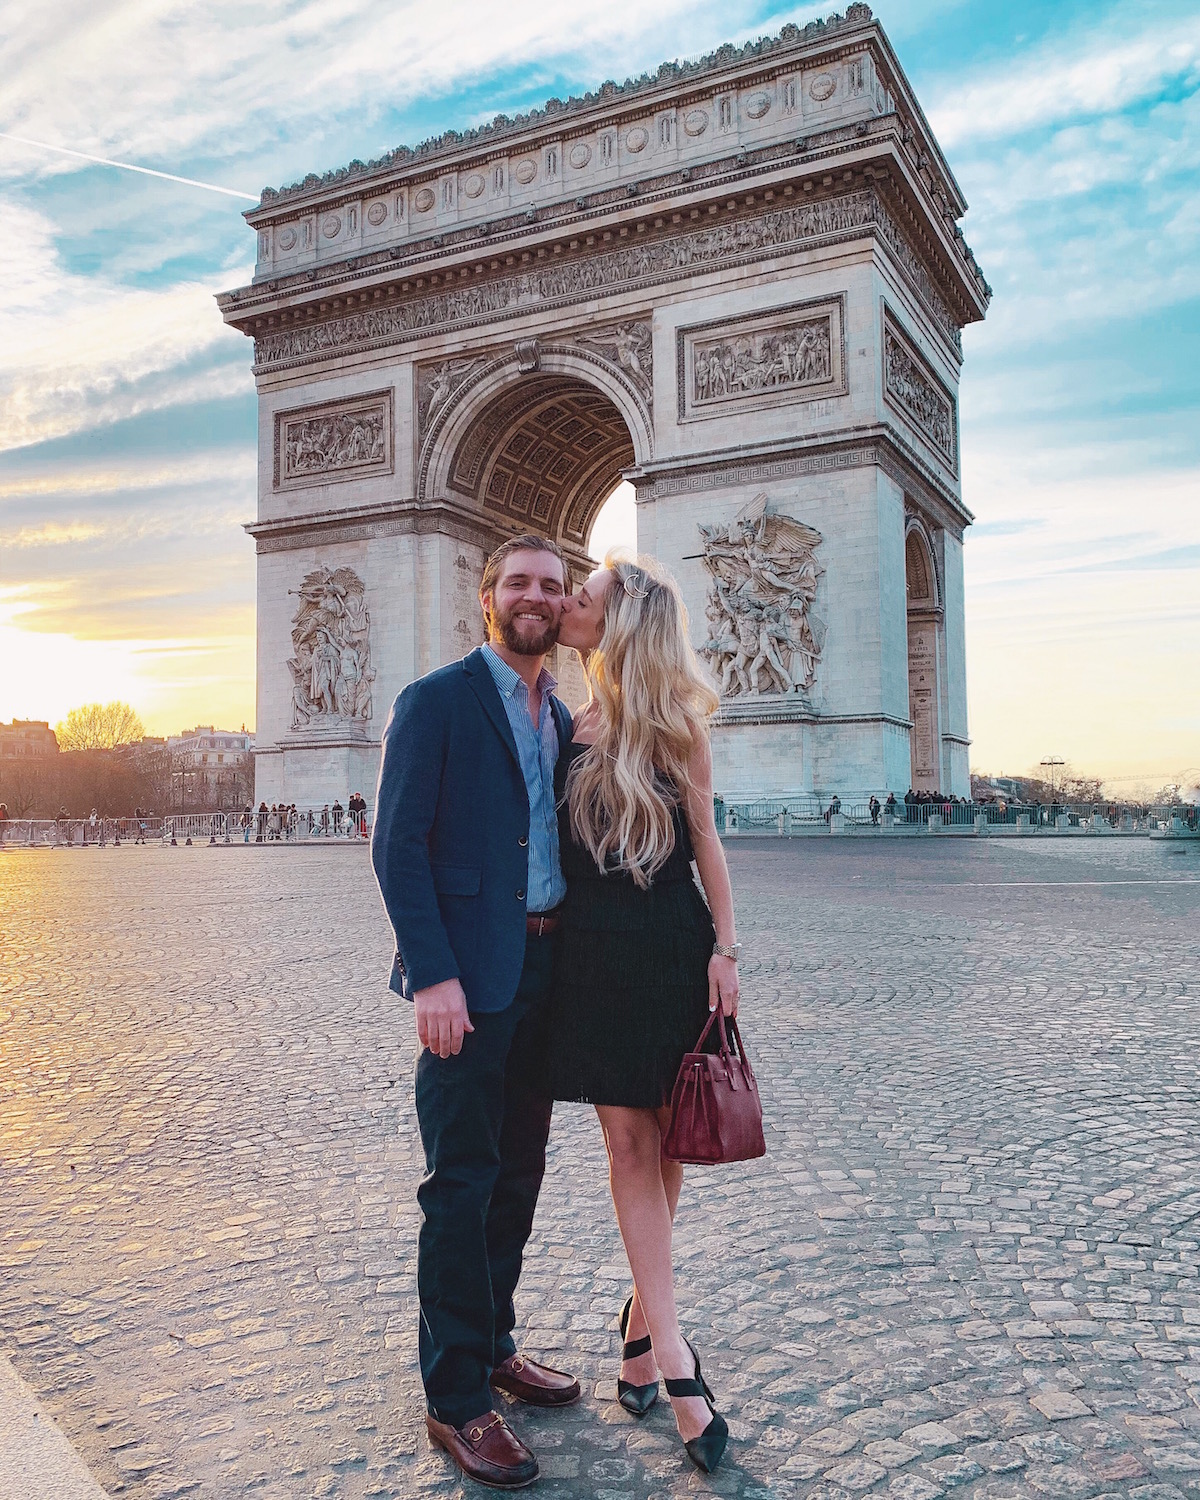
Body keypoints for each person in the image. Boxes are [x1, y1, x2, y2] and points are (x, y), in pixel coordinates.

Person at [371, 535, 579, 1490]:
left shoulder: (562, 713)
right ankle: (455, 1399)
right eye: (520, 583)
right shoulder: (436, 700)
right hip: (466, 982)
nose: (537, 598)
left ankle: (493, 1341)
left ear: (565, 606)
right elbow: (397, 847)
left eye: (553, 587)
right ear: (486, 596)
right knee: (460, 1184)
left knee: (517, 1175)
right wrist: (433, 974)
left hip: (542, 974)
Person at [546, 551, 739, 1475]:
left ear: (620, 625)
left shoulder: (677, 728)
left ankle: (636, 1315)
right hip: (591, 959)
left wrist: (726, 952)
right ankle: (675, 1359)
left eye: (582, 598)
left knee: (668, 1143)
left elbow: (707, 843)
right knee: (629, 1144)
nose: (565, 606)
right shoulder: (556, 721)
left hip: (670, 949)